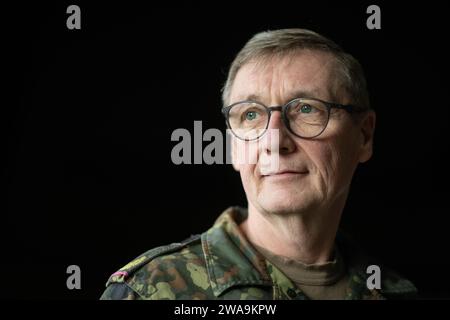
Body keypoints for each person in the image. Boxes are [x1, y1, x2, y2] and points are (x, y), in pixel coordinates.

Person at [100, 28, 417, 300]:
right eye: (250, 114)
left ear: (364, 136)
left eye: (307, 109)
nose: (275, 141)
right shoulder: (149, 290)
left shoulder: (393, 291)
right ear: (234, 147)